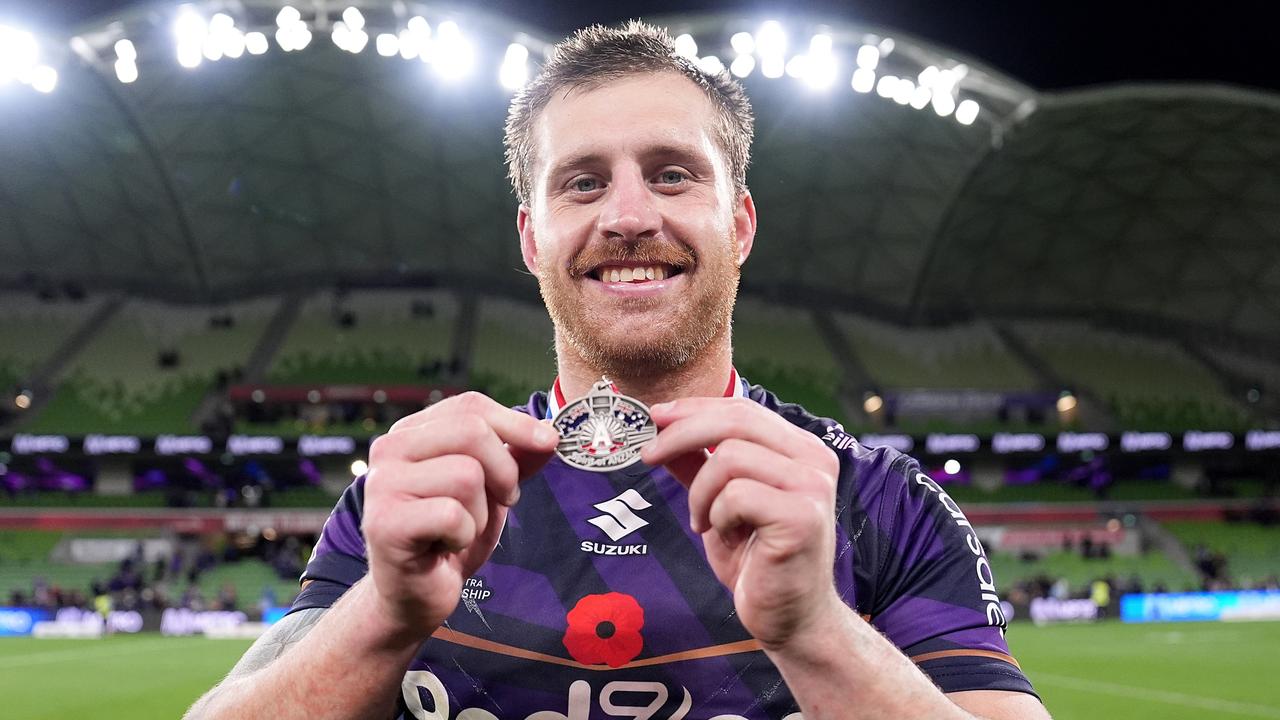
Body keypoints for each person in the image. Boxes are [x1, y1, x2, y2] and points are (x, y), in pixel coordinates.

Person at [186, 21, 1048, 720]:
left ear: (739, 224)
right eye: (583, 184)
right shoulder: (422, 497)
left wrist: (817, 632)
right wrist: (383, 616)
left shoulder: (876, 501)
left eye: (673, 176)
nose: (630, 216)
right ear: (532, 239)